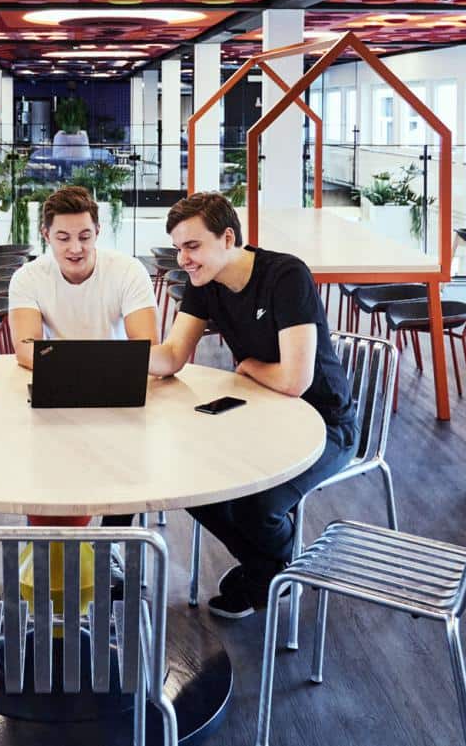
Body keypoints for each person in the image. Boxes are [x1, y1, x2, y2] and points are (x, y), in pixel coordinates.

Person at [146, 191, 356, 619]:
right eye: (178, 248)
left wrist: (248, 364)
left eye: (192, 246)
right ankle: (274, 571)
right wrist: (105, 354)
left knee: (256, 506)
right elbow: (171, 357)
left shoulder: (285, 276)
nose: (183, 259)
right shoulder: (206, 283)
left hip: (326, 424)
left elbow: (295, 381)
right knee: (193, 485)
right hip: (262, 417)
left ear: (227, 238)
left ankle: (266, 575)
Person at [6, 183, 158, 530]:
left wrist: (65, 359)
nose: (76, 248)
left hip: (118, 392)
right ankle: (55, 539)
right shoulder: (27, 277)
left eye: (85, 236)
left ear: (98, 232)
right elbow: (25, 347)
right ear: (46, 235)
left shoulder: (128, 270)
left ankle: (111, 543)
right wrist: (98, 360)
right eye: (63, 237)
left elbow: (146, 346)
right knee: (46, 464)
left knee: (127, 462)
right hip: (56, 391)